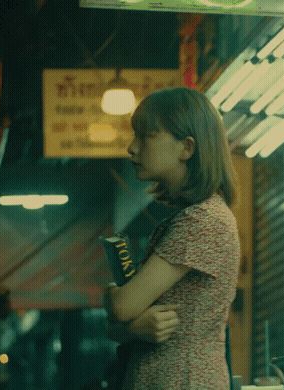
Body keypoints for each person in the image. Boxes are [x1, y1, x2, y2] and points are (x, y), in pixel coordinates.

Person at [103, 87, 241, 390]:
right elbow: (120, 323)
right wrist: (132, 329)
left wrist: (111, 296)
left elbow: (123, 306)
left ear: (187, 148)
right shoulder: (186, 219)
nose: (132, 148)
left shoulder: (202, 221)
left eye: (146, 136)